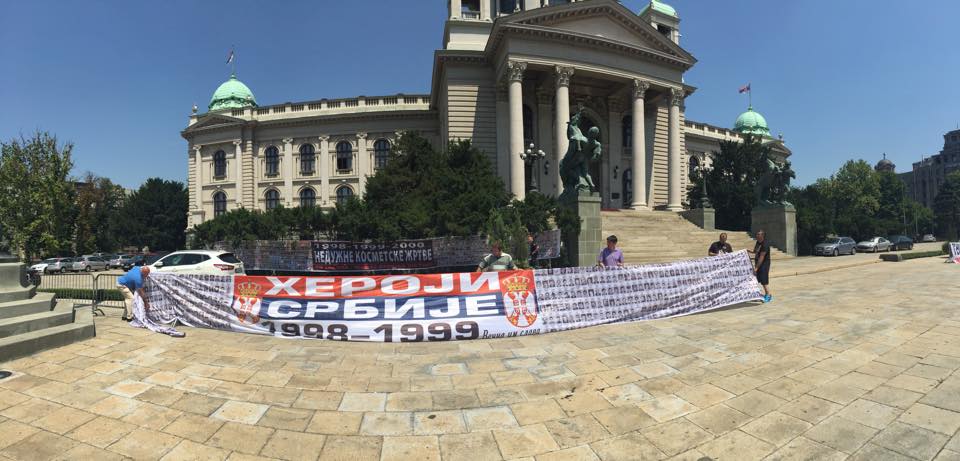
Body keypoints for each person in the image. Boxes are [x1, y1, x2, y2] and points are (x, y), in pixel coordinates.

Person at [748, 230, 772, 302]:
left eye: (758, 234)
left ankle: (768, 295)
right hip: (758, 263)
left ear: (762, 236)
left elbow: (762, 257)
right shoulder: (758, 243)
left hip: (764, 264)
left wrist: (756, 268)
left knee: (764, 279)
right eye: (757, 234)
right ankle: (758, 294)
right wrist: (748, 251)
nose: (757, 236)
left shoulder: (765, 244)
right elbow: (755, 252)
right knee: (758, 279)